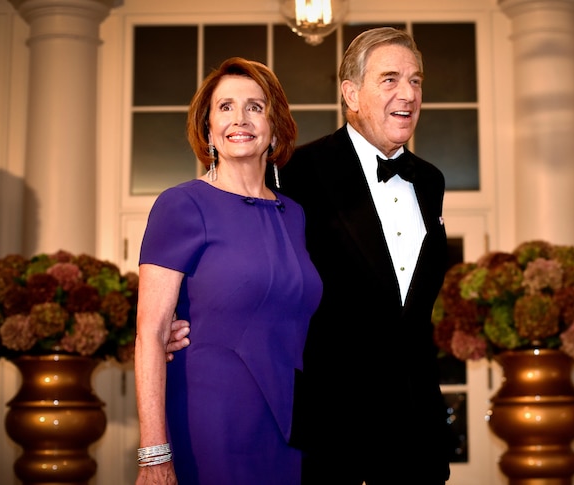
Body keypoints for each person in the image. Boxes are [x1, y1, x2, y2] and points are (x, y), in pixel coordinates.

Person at [168, 27, 453, 484]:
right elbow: (237, 260)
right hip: (330, 433)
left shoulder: (430, 181)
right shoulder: (293, 173)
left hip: (416, 432)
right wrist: (178, 321)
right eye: (391, 79)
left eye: (416, 81)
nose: (408, 93)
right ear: (351, 93)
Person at [135, 57, 322, 485]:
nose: (240, 119)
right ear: (207, 129)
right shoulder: (182, 205)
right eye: (225, 107)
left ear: (275, 127)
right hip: (210, 419)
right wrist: (153, 454)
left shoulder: (294, 214)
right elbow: (151, 333)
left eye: (255, 107)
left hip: (291, 424)